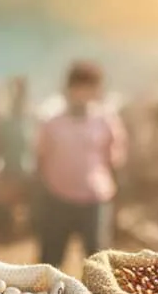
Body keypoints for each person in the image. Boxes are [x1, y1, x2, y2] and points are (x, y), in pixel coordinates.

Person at [34, 61, 127, 267]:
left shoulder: (106, 121)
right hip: (57, 198)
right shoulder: (52, 122)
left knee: (98, 262)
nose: (84, 94)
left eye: (90, 88)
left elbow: (115, 161)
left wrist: (118, 200)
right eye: (80, 87)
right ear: (69, 89)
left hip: (94, 201)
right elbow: (41, 159)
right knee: (50, 261)